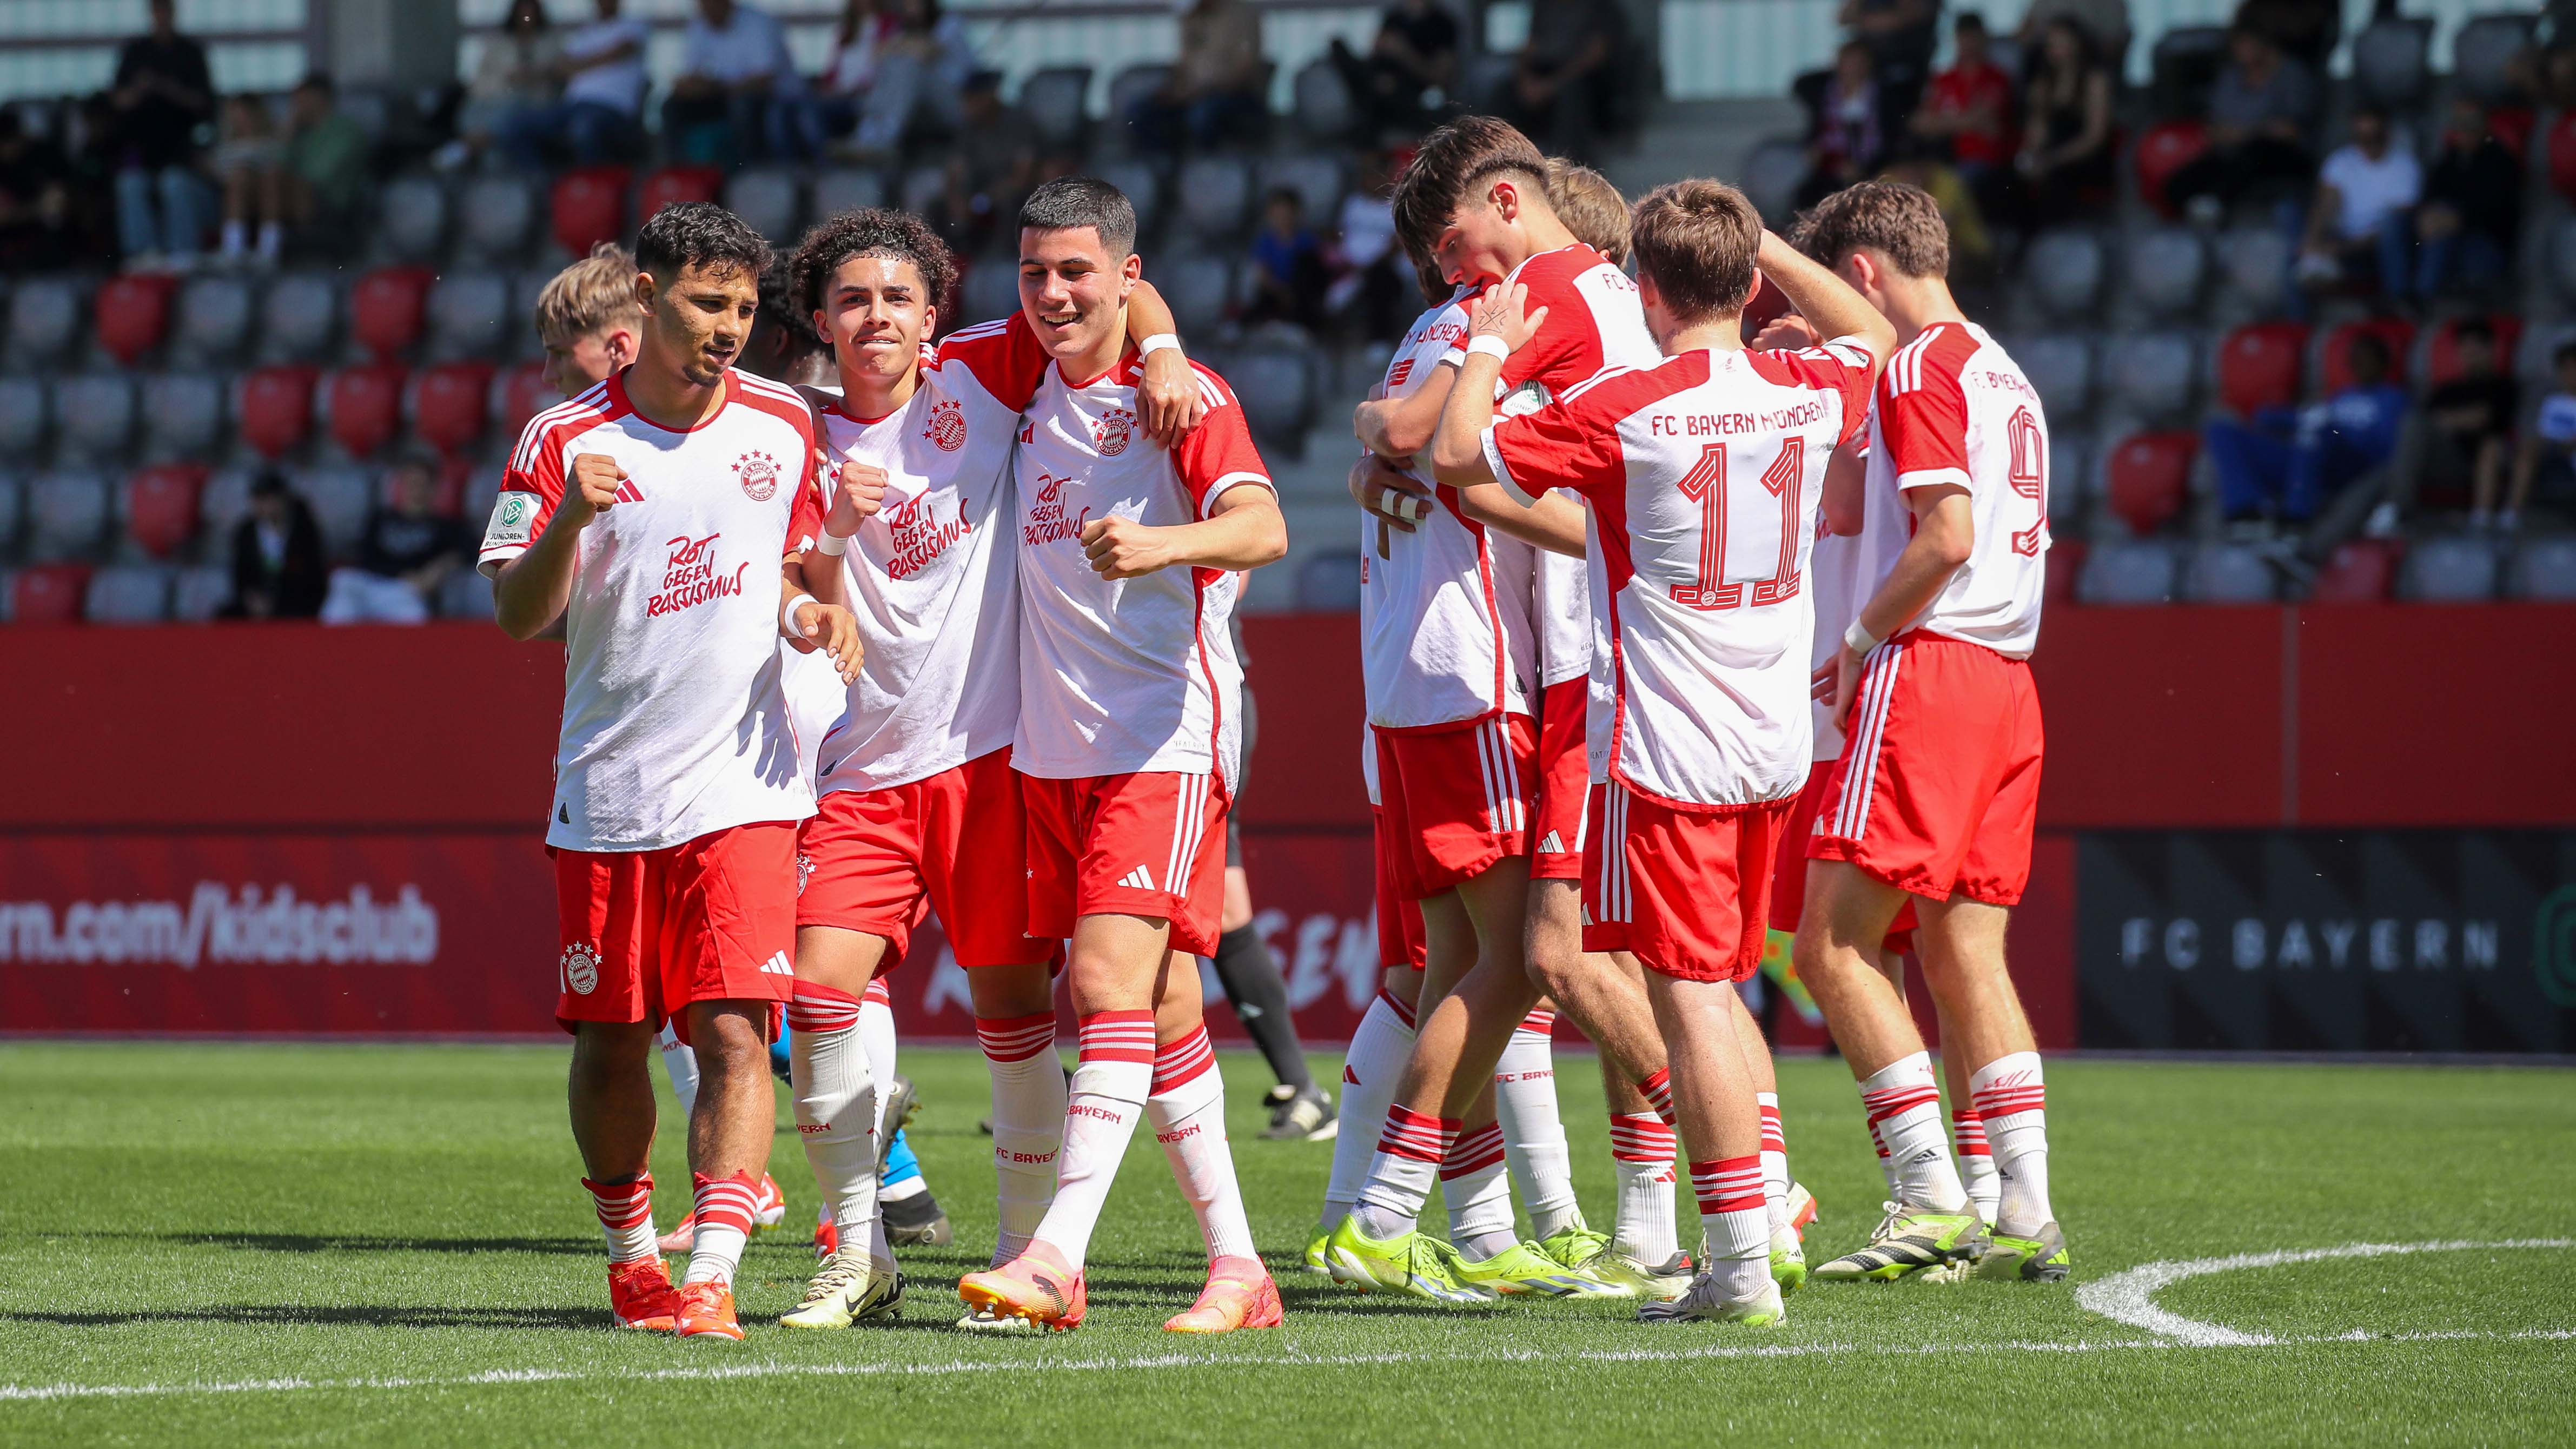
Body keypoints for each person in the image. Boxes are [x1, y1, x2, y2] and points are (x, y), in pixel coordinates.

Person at [1434, 180, 1896, 1325]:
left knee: (1685, 994)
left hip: (1667, 745)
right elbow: (1878, 333)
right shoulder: (1801, 385)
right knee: (1718, 983)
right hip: (1774, 741)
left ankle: (1738, 1260)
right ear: (1745, 284)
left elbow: (1453, 456)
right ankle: (1744, 1234)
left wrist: (1487, 352)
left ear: (1640, 289)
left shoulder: (1623, 405)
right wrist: (1769, 245)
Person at [778, 206, 1207, 1325]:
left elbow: (1112, 293)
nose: (876, 316)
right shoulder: (791, 439)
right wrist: (825, 551)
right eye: (853, 300)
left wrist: (1159, 347)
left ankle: (1022, 1262)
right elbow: (795, 596)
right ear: (819, 320)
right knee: (820, 992)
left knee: (1012, 1012)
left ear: (934, 317)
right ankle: (857, 1252)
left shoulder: (981, 373)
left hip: (991, 763)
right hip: (862, 774)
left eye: (898, 298)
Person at [1325, 116, 1697, 1306]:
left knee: (1456, 969)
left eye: (1454, 248)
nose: (1459, 279)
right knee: (1526, 962)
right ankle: (1388, 1213)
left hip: (1435, 681)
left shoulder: (1514, 314)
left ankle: (1468, 1228)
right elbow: (1432, 441)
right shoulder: (1495, 316)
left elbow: (1411, 442)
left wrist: (1384, 442)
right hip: (1491, 679)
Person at [478, 201, 863, 1341]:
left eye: (745, 307)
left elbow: (799, 571)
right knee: (611, 1039)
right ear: (645, 300)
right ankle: (631, 1254)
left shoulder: (786, 424)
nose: (731, 327)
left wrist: (813, 616)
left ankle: (715, 1272)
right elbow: (515, 616)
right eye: (708, 302)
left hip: (745, 784)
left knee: (737, 1031)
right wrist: (568, 524)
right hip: (608, 785)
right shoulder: (558, 442)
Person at [952, 177, 1289, 1335]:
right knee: (1161, 1001)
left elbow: (1263, 527)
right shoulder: (1015, 375)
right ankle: (1240, 1270)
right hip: (1051, 749)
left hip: (1160, 734)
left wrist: (1159, 544)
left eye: (1077, 271)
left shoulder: (1184, 399)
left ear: (1125, 278)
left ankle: (1055, 1254)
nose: (1053, 293)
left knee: (1099, 989)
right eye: (1035, 271)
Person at [1785, 180, 2066, 1284]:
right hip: (2008, 679)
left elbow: (1941, 533)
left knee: (1828, 945)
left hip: (1931, 669)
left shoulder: (1917, 367)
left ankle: (1927, 1195)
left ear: (1861, 272)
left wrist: (1856, 637)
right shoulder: (2003, 369)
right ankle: (2020, 1210)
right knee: (1960, 952)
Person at [2204, 332, 2408, 528]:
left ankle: (2298, 514)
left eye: (2366, 358)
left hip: (2351, 462)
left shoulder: (2393, 399)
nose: (2359, 364)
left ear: (2382, 362)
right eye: (2355, 359)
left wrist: (2334, 429)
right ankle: (2247, 506)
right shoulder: (2341, 397)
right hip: (2312, 454)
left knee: (2315, 434)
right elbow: (2306, 420)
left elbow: (2384, 449)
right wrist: (2286, 417)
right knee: (2221, 431)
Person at [2162, 28, 2317, 224]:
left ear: (2264, 44)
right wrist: (2255, 130)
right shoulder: (2230, 77)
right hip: (2231, 153)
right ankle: (2202, 222)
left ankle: (2215, 210)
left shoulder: (2291, 74)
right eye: (2237, 46)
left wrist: (2245, 133)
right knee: (2179, 183)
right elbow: (2214, 129)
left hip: (2280, 156)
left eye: (2247, 45)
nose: (2241, 52)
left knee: (2253, 152)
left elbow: (2291, 131)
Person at [110, 0, 215, 269]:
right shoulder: (136, 51)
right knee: (130, 184)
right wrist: (141, 88)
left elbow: (204, 103)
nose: (161, 16)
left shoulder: (190, 52)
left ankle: (183, 255)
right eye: (157, 11)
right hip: (141, 147)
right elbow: (118, 101)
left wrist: (170, 89)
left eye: (165, 10)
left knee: (175, 183)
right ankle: (142, 257)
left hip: (181, 149)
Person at [2290, 107, 2419, 312]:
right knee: (2291, 222)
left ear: (2386, 132)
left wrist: (2340, 249)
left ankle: (2398, 303)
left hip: (2377, 248)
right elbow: (2326, 204)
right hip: (2343, 238)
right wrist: (2313, 240)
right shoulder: (2341, 160)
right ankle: (2297, 321)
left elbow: (2398, 225)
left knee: (2392, 229)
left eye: (2373, 135)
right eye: (2362, 135)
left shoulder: (2404, 165)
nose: (2368, 141)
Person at [502, 0, 649, 170]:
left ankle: (592, 188)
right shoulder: (585, 32)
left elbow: (622, 51)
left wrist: (577, 65)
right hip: (573, 106)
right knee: (515, 126)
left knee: (583, 129)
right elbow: (561, 68)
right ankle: (546, 186)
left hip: (613, 108)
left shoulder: (634, 25)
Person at [320, 460, 471, 625]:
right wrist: (399, 573)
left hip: (407, 592)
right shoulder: (381, 519)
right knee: (342, 580)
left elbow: (471, 551)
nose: (417, 491)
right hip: (374, 585)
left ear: (434, 489)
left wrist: (442, 566)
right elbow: (365, 559)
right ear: (401, 487)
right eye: (411, 484)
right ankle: (332, 646)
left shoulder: (445, 526)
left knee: (415, 616)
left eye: (423, 484)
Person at [664, 0, 802, 167]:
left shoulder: (757, 24)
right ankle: (679, 171)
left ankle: (747, 169)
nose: (704, 10)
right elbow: (691, 74)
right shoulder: (700, 24)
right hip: (725, 94)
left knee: (741, 105)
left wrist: (715, 87)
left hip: (772, 97)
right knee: (672, 105)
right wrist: (690, 86)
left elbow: (764, 79)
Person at [2013, 15, 2114, 226]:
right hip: (2050, 156)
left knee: (2055, 185)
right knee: (2011, 183)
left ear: (2078, 45)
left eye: (2062, 43)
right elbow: (2036, 132)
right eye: (2051, 44)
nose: (2055, 49)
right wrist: (2030, 157)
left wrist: (2052, 160)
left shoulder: (2095, 80)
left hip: (2082, 158)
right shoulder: (2044, 82)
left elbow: (2095, 137)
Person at [1129, 0, 1266, 153]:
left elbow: (1244, 71)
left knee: (1201, 116)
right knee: (1141, 113)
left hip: (1234, 96)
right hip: (1192, 96)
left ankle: (1209, 165)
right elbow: (1184, 64)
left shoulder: (1242, 16)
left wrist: (1203, 90)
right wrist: (1172, 90)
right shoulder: (1191, 19)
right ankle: (1164, 166)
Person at [2415, 101, 2520, 300]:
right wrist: (2429, 216)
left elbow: (2499, 212)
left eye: (2471, 126)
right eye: (2460, 127)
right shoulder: (2450, 160)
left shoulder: (2501, 160)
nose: (2465, 132)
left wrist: (2458, 219)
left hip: (2488, 243)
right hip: (2448, 237)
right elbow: (2431, 197)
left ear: (2484, 128)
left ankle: (2423, 298)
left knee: (2442, 233)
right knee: (2429, 227)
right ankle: (2409, 296)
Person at [448, 0, 562, 171]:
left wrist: (534, 75)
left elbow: (559, 75)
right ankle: (476, 144)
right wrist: (507, 81)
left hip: (532, 103)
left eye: (531, 13)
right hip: (494, 98)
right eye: (523, 14)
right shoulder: (498, 44)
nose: (526, 18)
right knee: (474, 113)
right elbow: (480, 80)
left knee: (507, 119)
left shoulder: (552, 44)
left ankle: (469, 147)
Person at [1326, 0, 1461, 142]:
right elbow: (1376, 55)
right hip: (1379, 83)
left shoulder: (1443, 25)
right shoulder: (1394, 19)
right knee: (1340, 50)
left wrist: (1403, 52)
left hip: (1415, 94)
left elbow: (1439, 77)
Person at [1509, 0, 1627, 160]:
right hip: (1545, 77)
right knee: (1504, 91)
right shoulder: (1546, 7)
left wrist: (1550, 86)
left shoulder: (1602, 8)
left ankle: (1567, 163)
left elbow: (1595, 56)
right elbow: (1530, 46)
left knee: (1571, 96)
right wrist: (1525, 81)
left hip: (1587, 85)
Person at [1912, 13, 2016, 192]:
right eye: (1963, 37)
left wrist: (1942, 123)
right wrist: (1965, 122)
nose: (1968, 44)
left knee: (1951, 185)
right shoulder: (1943, 79)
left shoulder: (1997, 78)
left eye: (1973, 37)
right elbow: (1919, 123)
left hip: (1982, 161)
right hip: (1942, 159)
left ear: (1983, 38)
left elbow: (1987, 123)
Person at [222, 472, 328, 619]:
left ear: (283, 499)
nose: (265, 505)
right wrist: (250, 598)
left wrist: (277, 601)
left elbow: (313, 575)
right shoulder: (246, 531)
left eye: (269, 499)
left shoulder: (304, 529)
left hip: (294, 601)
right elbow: (240, 572)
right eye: (259, 499)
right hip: (256, 601)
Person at [281, 76, 370, 249]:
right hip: (296, 194)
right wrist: (288, 135)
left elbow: (320, 176)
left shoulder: (346, 132)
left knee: (274, 184)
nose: (296, 106)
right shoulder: (303, 135)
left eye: (301, 99)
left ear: (318, 98)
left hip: (329, 203)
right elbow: (279, 164)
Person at [1800, 42, 1890, 209]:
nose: (1851, 70)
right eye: (1846, 63)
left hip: (1875, 168)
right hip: (1830, 168)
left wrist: (1865, 168)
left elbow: (1888, 141)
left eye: (1857, 64)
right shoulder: (1823, 94)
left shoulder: (1883, 98)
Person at [2502, 342, 2576, 532]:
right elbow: (2537, 433)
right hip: (2549, 452)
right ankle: (2512, 516)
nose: (2572, 374)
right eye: (2567, 369)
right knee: (2527, 450)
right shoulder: (2549, 401)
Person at [212, 95, 287, 268]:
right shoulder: (226, 147)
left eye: (244, 114)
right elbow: (217, 172)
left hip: (267, 190)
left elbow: (280, 164)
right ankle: (233, 250)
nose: (240, 120)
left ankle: (269, 251)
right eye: (235, 115)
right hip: (230, 194)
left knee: (270, 179)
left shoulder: (274, 142)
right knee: (240, 176)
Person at [0, 108, 76, 270]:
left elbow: (57, 203)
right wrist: (32, 209)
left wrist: (23, 212)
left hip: (48, 236)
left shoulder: (45, 154)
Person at [1245, 188, 1328, 331]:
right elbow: (1263, 273)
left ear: (1296, 213)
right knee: (1262, 302)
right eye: (1278, 213)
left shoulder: (1307, 240)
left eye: (1287, 213)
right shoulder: (1266, 241)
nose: (1283, 217)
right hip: (1275, 291)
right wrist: (1281, 292)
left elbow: (1313, 272)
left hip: (1300, 292)